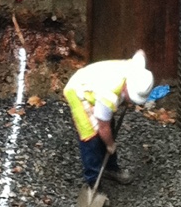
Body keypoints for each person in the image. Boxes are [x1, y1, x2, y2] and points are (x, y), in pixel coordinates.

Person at [63, 51, 155, 196]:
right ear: (127, 87)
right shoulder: (108, 96)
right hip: (78, 91)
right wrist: (110, 144)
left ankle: (110, 168)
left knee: (107, 127)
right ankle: (93, 183)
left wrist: (109, 141)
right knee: (91, 137)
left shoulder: (137, 69)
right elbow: (103, 127)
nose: (131, 101)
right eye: (132, 97)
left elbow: (141, 53)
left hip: (94, 86)